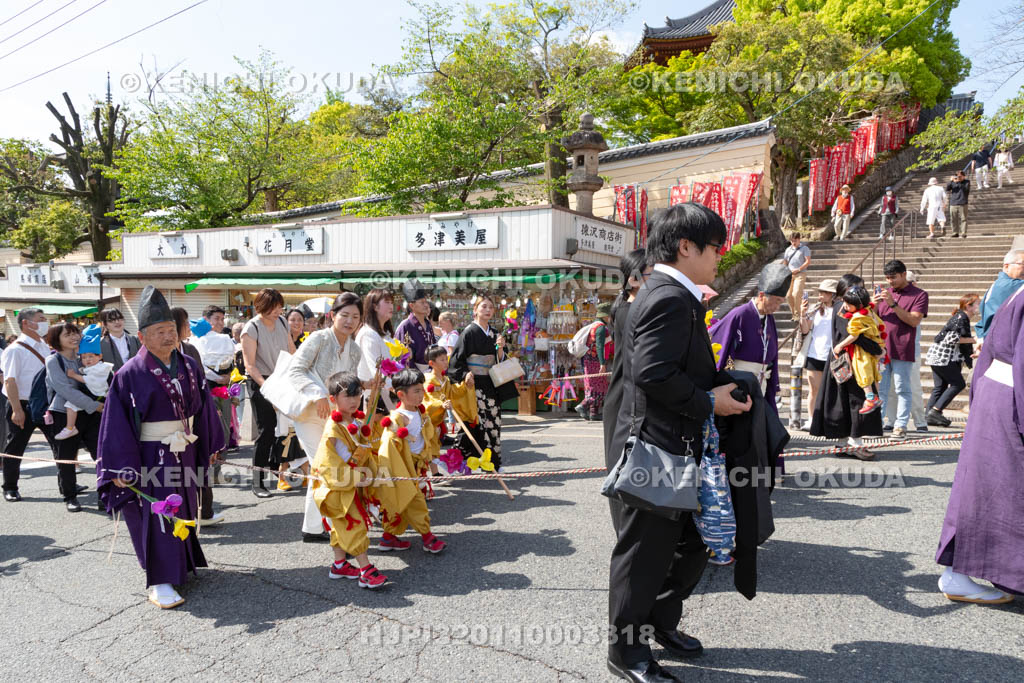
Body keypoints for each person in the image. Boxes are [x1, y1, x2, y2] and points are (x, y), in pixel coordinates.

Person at [608, 203, 751, 683]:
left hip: (679, 445)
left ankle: (659, 624)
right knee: (645, 552)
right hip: (659, 447)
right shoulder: (668, 295)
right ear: (685, 246)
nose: (720, 257)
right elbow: (652, 373)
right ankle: (625, 652)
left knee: (687, 545)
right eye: (715, 247)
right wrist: (709, 402)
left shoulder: (675, 293)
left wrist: (720, 387)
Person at [96, 286, 226, 609]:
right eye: (159, 332)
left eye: (171, 330)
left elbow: (203, 408)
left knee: (183, 508)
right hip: (150, 455)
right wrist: (121, 469)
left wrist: (210, 443)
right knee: (157, 513)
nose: (169, 337)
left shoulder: (188, 365)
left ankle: (180, 566)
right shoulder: (129, 374)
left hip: (186, 448)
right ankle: (159, 580)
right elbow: (116, 424)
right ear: (142, 337)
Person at [934, 284, 1024, 605]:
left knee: (981, 493)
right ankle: (963, 574)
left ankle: (959, 573)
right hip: (1011, 402)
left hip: (997, 396)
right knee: (1004, 497)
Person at [284, 292, 364, 542]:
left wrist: (368, 384)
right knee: (321, 465)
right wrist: (318, 394)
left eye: (355, 317)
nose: (349, 321)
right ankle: (322, 525)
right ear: (332, 316)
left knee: (324, 467)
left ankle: (317, 525)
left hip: (335, 417)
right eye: (345, 315)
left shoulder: (355, 350)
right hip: (310, 413)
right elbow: (295, 370)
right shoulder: (319, 338)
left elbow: (347, 383)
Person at [311, 371, 388, 589]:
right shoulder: (333, 429)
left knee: (340, 528)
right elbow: (328, 464)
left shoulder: (356, 421)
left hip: (352, 483)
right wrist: (355, 478)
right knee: (353, 527)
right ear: (333, 400)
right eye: (348, 396)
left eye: (357, 395)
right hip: (338, 487)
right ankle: (365, 569)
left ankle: (339, 565)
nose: (354, 400)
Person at [809, 274, 885, 459]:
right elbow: (855, 336)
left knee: (842, 402)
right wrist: (877, 349)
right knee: (856, 401)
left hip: (842, 359)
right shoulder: (844, 308)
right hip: (851, 360)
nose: (861, 292)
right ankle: (855, 444)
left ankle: (843, 443)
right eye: (856, 289)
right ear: (845, 291)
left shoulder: (843, 307)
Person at [375, 367, 447, 554]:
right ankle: (428, 538)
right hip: (401, 468)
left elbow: (428, 437)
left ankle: (388, 538)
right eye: (416, 391)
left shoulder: (420, 413)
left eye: (421, 389)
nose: (421, 394)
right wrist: (397, 472)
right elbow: (388, 448)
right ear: (401, 394)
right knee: (415, 502)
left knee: (401, 503)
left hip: (417, 467)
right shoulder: (395, 419)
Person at [448, 294, 519, 472]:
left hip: (491, 383)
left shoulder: (495, 333)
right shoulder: (469, 332)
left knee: (493, 423)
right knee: (475, 424)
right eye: (483, 307)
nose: (487, 310)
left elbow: (500, 360)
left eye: (490, 307)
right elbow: (456, 360)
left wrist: (501, 348)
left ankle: (492, 463)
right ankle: (462, 462)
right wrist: (465, 374)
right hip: (475, 386)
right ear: (475, 310)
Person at [39, 322, 101, 512]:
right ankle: (70, 496)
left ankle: (106, 493)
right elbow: (64, 389)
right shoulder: (53, 361)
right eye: (68, 335)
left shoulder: (85, 357)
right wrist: (95, 405)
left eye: (76, 333)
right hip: (64, 414)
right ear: (56, 339)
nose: (75, 337)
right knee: (66, 457)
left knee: (100, 454)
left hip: (91, 413)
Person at [711, 262, 789, 413]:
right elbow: (721, 346)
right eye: (777, 301)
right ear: (761, 295)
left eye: (781, 302)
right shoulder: (739, 314)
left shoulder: (769, 318)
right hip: (739, 386)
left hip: (761, 386)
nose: (778, 307)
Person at [241, 288, 295, 498]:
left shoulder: (282, 322)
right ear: (260, 306)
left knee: (283, 430)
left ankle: (277, 472)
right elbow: (250, 365)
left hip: (281, 379)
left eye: (280, 306)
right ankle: (258, 482)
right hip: (260, 382)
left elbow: (292, 350)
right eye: (273, 307)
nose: (278, 311)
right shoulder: (251, 328)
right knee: (265, 432)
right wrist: (266, 386)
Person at [2, 308, 59, 502]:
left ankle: (67, 484)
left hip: (44, 403)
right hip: (22, 403)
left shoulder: (43, 344)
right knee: (16, 447)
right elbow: (9, 381)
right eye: (40, 319)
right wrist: (17, 410)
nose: (45, 322)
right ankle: (10, 487)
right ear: (26, 323)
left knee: (59, 444)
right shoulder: (15, 349)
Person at [874, 260, 928, 439]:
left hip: (903, 348)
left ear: (904, 274)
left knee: (902, 388)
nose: (890, 282)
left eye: (894, 277)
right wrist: (872, 306)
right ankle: (876, 424)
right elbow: (874, 320)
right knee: (880, 389)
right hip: (882, 349)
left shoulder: (919, 295)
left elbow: (914, 320)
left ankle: (901, 425)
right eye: (888, 278)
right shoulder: (884, 293)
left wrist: (893, 305)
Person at [925, 294, 979, 426]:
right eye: (977, 303)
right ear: (968, 306)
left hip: (936, 356)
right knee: (958, 383)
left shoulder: (960, 316)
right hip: (944, 357)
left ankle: (928, 415)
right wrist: (975, 339)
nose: (979, 306)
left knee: (940, 386)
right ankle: (936, 411)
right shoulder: (961, 318)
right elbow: (951, 339)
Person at [422, 344, 477, 473]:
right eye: (441, 359)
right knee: (427, 447)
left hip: (436, 420)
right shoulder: (429, 380)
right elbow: (429, 399)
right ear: (432, 363)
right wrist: (441, 404)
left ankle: (434, 474)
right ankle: (425, 475)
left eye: (445, 358)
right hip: (427, 420)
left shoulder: (444, 379)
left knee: (434, 445)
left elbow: (453, 392)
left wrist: (464, 385)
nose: (445, 361)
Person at [54, 324, 113, 441]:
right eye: (84, 357)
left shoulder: (100, 368)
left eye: (91, 356)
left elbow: (89, 380)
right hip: (93, 400)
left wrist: (74, 375)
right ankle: (70, 427)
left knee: (71, 405)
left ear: (100, 356)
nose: (87, 359)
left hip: (96, 398)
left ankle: (70, 427)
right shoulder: (57, 359)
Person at [794, 279, 838, 430]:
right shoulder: (815, 309)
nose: (819, 296)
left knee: (832, 391)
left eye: (823, 293)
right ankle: (812, 419)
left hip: (833, 355)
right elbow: (805, 330)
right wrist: (802, 314)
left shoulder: (840, 309)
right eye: (819, 292)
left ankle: (829, 420)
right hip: (814, 354)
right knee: (814, 389)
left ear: (832, 294)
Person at [192, 305, 237, 454]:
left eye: (222, 319)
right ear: (205, 319)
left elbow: (233, 360)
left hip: (224, 387)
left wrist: (228, 377)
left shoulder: (225, 338)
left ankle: (218, 470)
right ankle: (210, 471)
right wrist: (218, 378)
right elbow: (199, 366)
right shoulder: (196, 341)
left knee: (224, 427)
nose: (220, 322)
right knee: (210, 427)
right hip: (206, 388)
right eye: (216, 319)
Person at [833, 287, 885, 413]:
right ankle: (876, 396)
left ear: (859, 305)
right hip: (876, 346)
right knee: (874, 373)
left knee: (863, 371)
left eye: (848, 304)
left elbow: (854, 335)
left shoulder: (857, 317)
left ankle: (870, 398)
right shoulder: (870, 311)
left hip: (862, 351)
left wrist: (839, 346)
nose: (844, 306)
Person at [356, 288, 398, 412]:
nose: (391, 306)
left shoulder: (383, 334)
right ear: (375, 307)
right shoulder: (368, 334)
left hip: (385, 391)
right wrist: (397, 388)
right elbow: (376, 369)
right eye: (387, 302)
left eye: (392, 302)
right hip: (372, 394)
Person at [975, 249, 1024, 347]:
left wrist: (982, 340)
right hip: (1005, 348)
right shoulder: (1010, 285)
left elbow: (981, 324)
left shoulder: (996, 284)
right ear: (1007, 267)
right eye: (1023, 264)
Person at [574, 302, 612, 421]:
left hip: (588, 359)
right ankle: (582, 405)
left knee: (593, 386)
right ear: (606, 316)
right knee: (598, 387)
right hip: (594, 360)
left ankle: (593, 413)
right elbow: (600, 347)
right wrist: (602, 364)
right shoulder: (600, 328)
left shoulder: (595, 325)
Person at [394, 279, 438, 374]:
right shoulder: (405, 326)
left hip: (431, 372)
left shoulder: (428, 324)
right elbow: (403, 357)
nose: (426, 305)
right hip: (413, 374)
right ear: (412, 305)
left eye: (426, 302)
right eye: (422, 302)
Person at [780, 232, 811, 320]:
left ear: (799, 240)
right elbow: (785, 261)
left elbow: (808, 261)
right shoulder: (788, 250)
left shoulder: (805, 248)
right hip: (789, 274)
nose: (793, 243)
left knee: (796, 293)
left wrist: (799, 269)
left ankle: (798, 314)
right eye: (792, 241)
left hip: (800, 273)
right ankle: (794, 314)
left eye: (795, 241)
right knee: (788, 295)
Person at [946, 171, 970, 239]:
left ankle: (963, 233)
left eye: (960, 176)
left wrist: (958, 182)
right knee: (953, 219)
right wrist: (951, 181)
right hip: (953, 202)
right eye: (957, 176)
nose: (958, 177)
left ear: (963, 176)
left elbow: (965, 189)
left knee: (963, 219)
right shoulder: (953, 182)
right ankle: (955, 232)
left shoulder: (967, 182)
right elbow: (947, 188)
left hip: (963, 203)